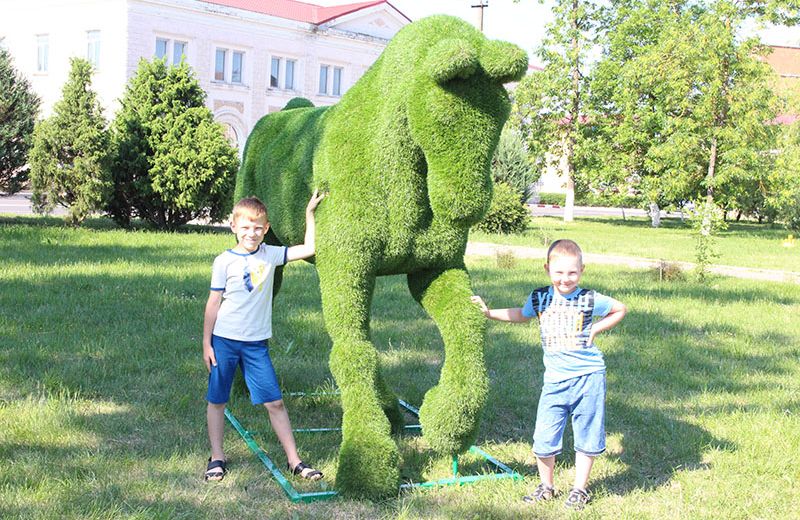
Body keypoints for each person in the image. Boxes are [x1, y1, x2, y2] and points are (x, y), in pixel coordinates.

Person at [471, 239, 626, 510]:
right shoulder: (539, 297)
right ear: (547, 269)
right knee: (544, 437)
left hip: (588, 378)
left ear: (582, 270)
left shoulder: (590, 298)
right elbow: (520, 314)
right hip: (554, 382)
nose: (565, 279)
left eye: (572, 273)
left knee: (587, 435)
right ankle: (546, 486)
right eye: (559, 272)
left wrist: (596, 329)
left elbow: (619, 308)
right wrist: (488, 313)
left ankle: (580, 489)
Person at [202, 191, 325, 482]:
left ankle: (294, 461)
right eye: (245, 227)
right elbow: (213, 303)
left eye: (257, 227)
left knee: (275, 402)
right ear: (233, 226)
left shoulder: (271, 254)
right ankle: (217, 457)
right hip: (224, 341)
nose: (251, 233)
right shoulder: (224, 261)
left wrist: (309, 211)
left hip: (256, 345)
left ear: (266, 229)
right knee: (217, 400)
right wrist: (207, 343)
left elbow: (308, 248)